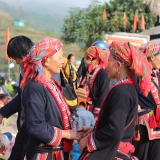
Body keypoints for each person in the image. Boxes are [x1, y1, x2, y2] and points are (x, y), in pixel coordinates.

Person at [78, 41, 151, 160]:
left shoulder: (122, 91)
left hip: (113, 152)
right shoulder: (126, 86)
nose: (106, 64)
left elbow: (114, 129)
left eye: (109, 60)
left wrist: (90, 139)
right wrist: (94, 129)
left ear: (118, 65)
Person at [21, 37, 81, 160]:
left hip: (56, 153)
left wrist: (76, 133)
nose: (63, 62)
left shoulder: (52, 84)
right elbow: (35, 125)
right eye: (59, 58)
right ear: (46, 60)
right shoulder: (35, 87)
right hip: (44, 154)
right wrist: (67, 134)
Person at [0, 35, 34, 160]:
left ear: (22, 53)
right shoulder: (25, 71)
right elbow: (21, 97)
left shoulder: (38, 73)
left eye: (16, 58)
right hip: (26, 128)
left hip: (36, 129)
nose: (17, 62)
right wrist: (2, 112)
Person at [133, 43, 160, 160]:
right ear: (152, 57)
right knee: (142, 156)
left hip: (158, 126)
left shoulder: (157, 74)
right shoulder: (137, 76)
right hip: (144, 126)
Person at [79, 46, 110, 114]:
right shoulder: (88, 71)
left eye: (86, 58)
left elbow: (103, 94)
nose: (84, 61)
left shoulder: (102, 73)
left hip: (93, 111)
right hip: (84, 108)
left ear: (92, 59)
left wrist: (96, 114)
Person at [71, 87, 95, 160]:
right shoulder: (90, 114)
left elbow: (72, 129)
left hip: (75, 144)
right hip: (86, 143)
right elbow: (94, 127)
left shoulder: (74, 114)